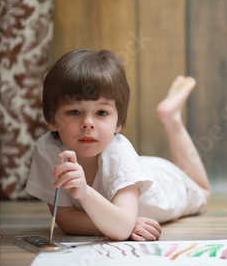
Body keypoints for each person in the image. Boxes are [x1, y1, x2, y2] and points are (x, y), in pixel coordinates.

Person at [26, 49, 210, 241]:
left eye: (101, 113)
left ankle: (172, 119)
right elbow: (66, 221)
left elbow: (121, 229)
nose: (88, 123)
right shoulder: (47, 150)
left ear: (118, 122)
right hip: (137, 167)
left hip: (163, 182)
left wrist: (96, 201)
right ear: (52, 119)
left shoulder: (119, 154)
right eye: (73, 112)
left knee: (204, 193)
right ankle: (170, 116)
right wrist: (117, 223)